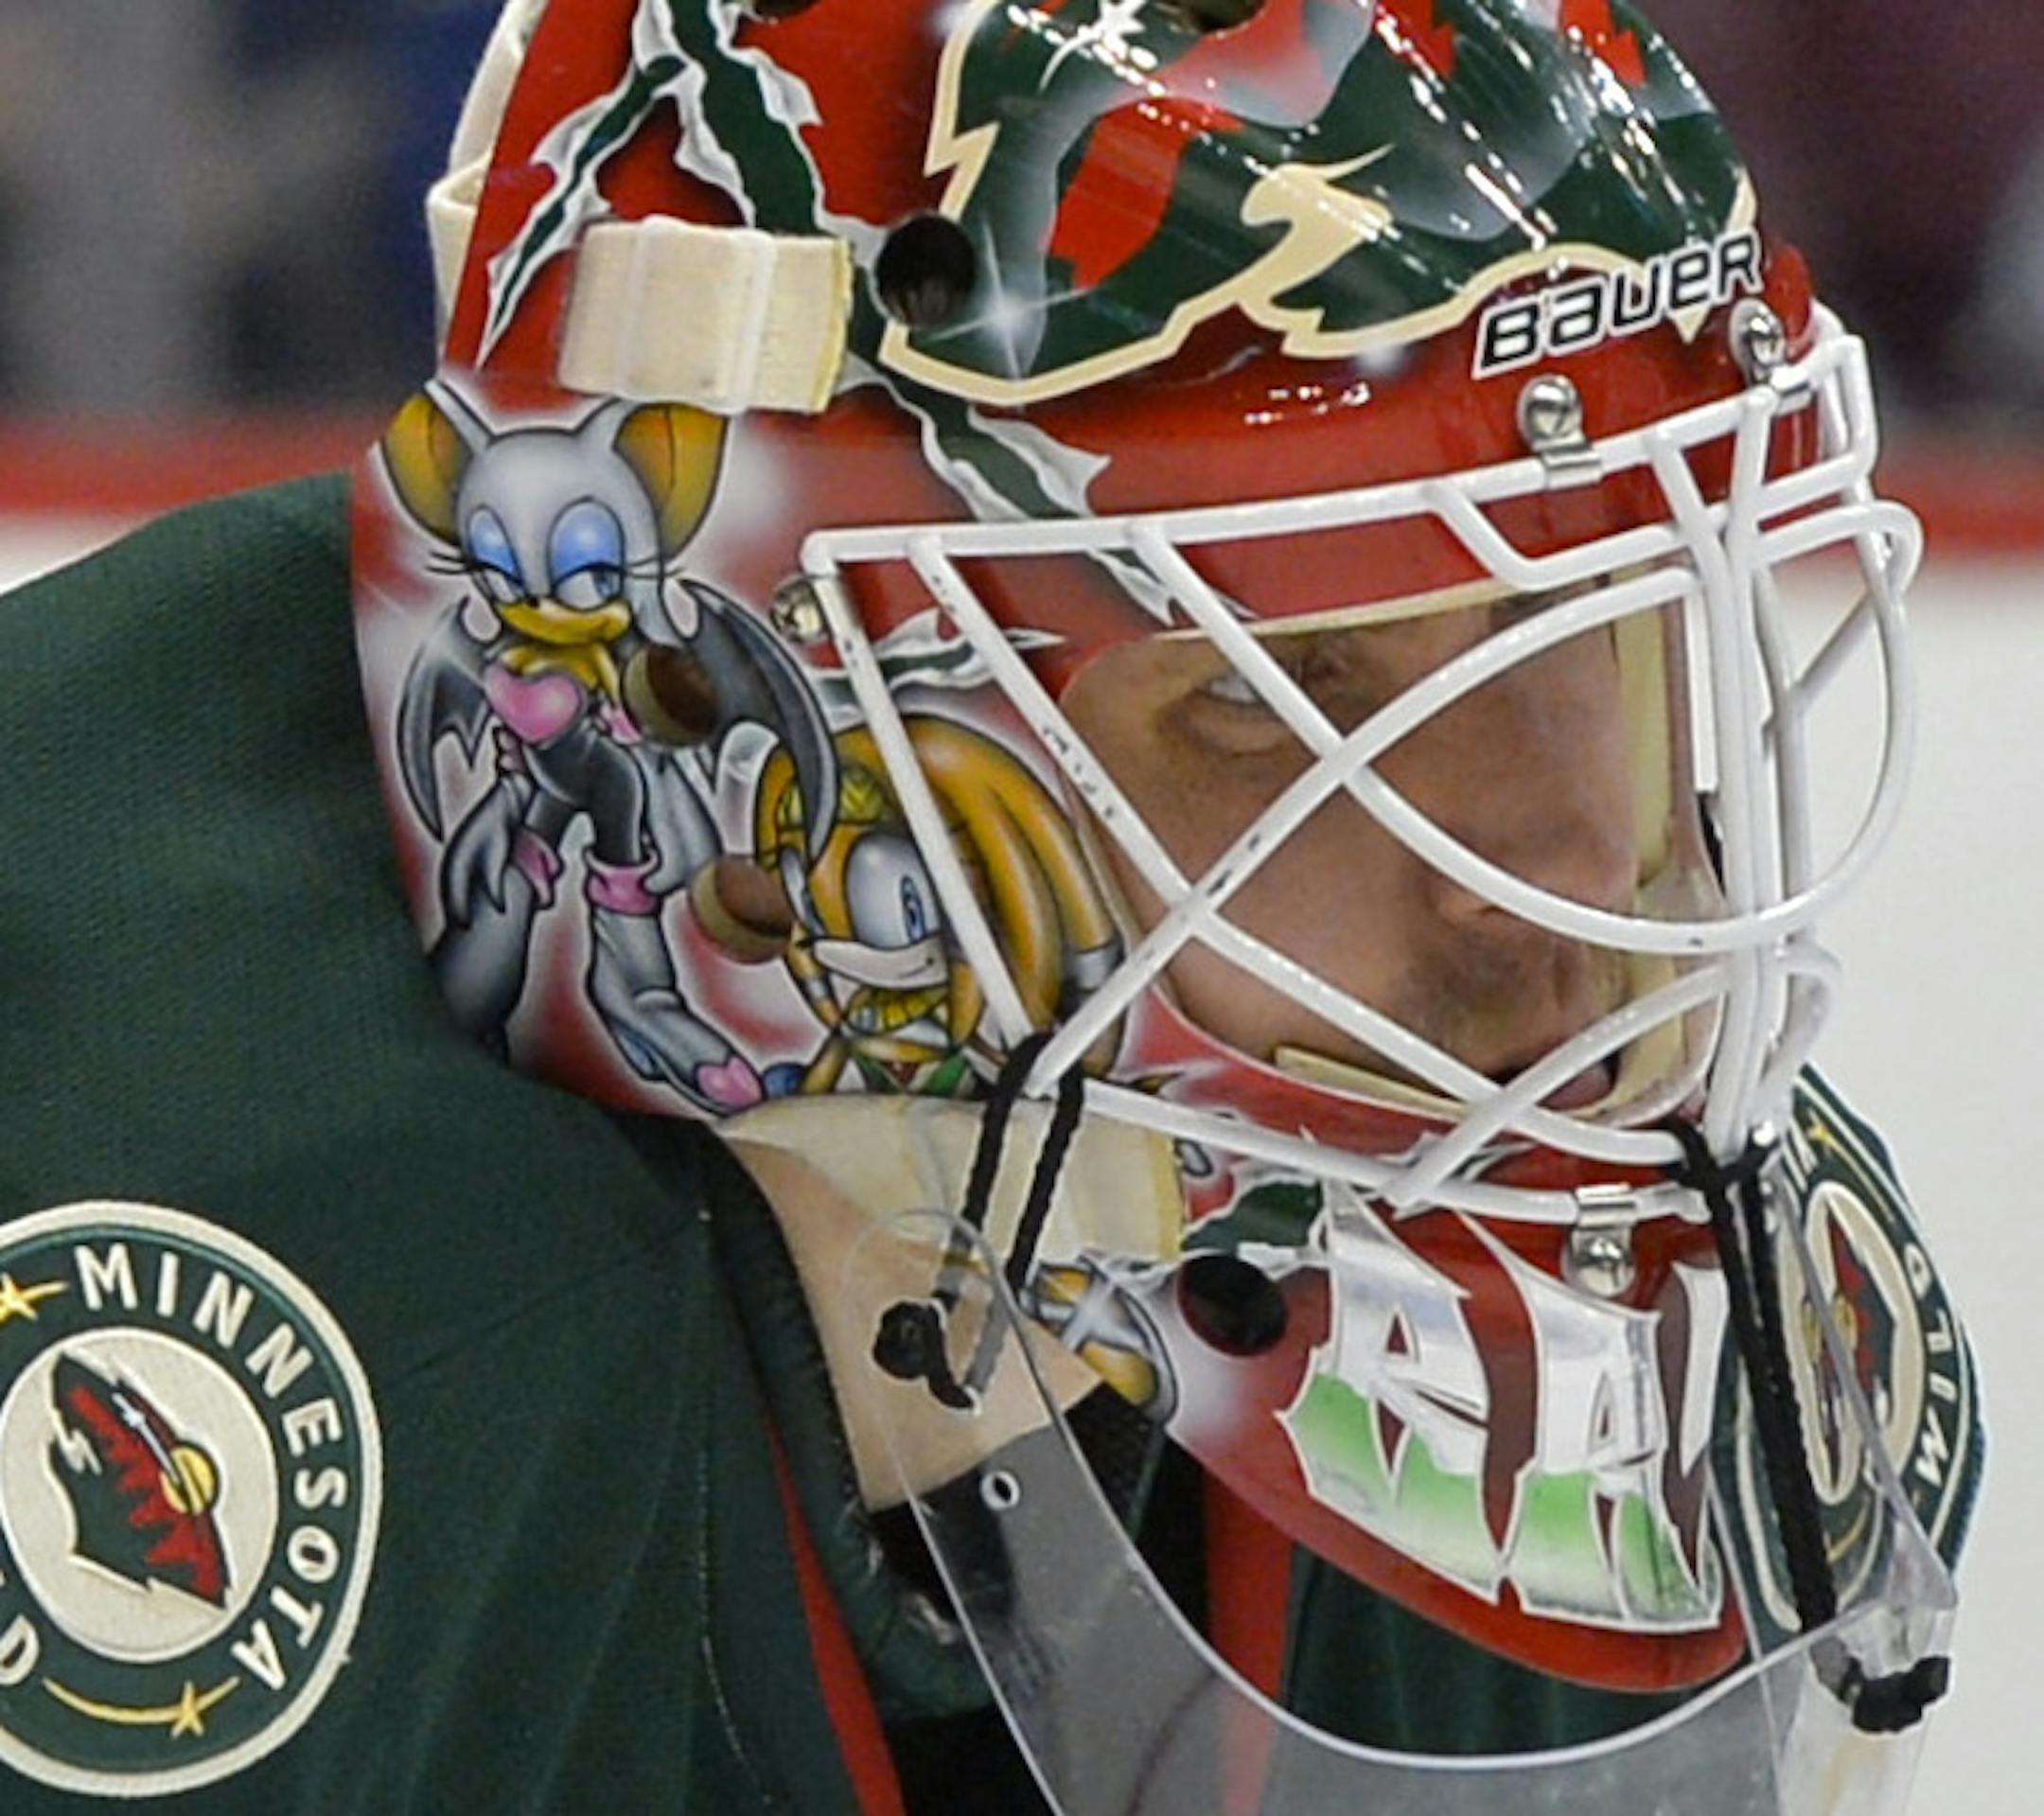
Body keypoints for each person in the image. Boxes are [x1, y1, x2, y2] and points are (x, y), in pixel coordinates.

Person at [0, 0, 1982, 1809]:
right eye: (1260, 702)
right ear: (716, 705)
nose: (1560, 898)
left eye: (1596, 638)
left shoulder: (1754, 1398)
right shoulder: (159, 1225)